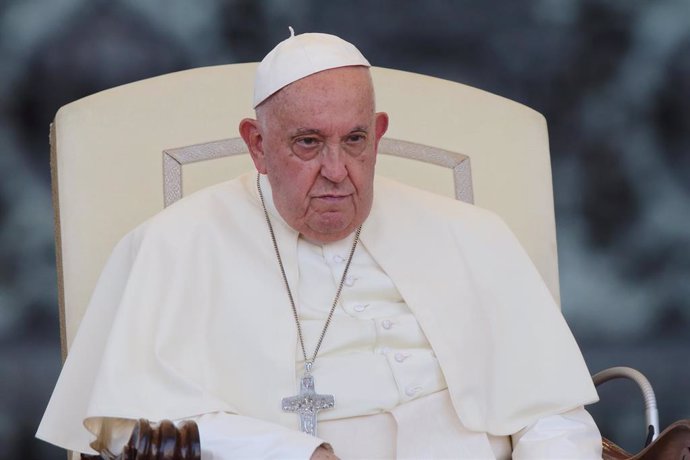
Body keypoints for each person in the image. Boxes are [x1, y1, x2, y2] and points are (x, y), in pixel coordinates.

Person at [38, 30, 602, 459]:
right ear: (257, 145)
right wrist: (290, 452)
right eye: (308, 143)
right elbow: (125, 429)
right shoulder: (173, 245)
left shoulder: (473, 234)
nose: (337, 170)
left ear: (378, 135)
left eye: (354, 140)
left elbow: (554, 416)